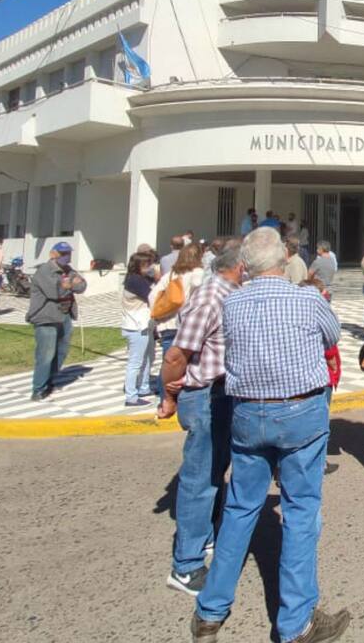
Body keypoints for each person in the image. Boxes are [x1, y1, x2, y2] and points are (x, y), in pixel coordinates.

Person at [190, 228, 350, 643]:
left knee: (241, 508)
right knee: (301, 511)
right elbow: (331, 336)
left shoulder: (233, 301)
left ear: (246, 265)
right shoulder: (307, 299)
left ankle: (210, 610)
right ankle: (296, 622)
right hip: (300, 410)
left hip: (249, 411)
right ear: (283, 260)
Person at [156, 239, 245, 597]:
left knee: (214, 471)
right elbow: (177, 354)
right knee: (200, 478)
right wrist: (169, 394)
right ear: (239, 266)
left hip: (221, 394)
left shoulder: (225, 292)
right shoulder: (211, 297)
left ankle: (205, 538)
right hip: (205, 396)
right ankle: (186, 564)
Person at [26, 242, 87, 401]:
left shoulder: (68, 270)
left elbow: (82, 285)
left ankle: (50, 380)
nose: (66, 256)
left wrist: (71, 284)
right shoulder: (44, 271)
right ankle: (39, 388)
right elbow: (55, 291)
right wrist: (69, 285)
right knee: (46, 354)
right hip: (46, 317)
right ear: (54, 254)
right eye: (63, 253)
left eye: (68, 253)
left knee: (61, 351)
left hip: (64, 315)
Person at [150, 243, 205, 378]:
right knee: (183, 364)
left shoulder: (170, 275)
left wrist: (159, 313)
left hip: (166, 323)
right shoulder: (197, 273)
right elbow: (198, 284)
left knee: (167, 362)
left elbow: (152, 296)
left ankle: (164, 396)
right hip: (184, 323)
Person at [120, 252, 158, 407]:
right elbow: (152, 296)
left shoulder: (141, 279)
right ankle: (131, 396)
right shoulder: (134, 281)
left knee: (148, 358)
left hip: (145, 324)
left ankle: (144, 387)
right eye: (147, 264)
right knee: (135, 362)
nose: (150, 267)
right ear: (138, 266)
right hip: (136, 326)